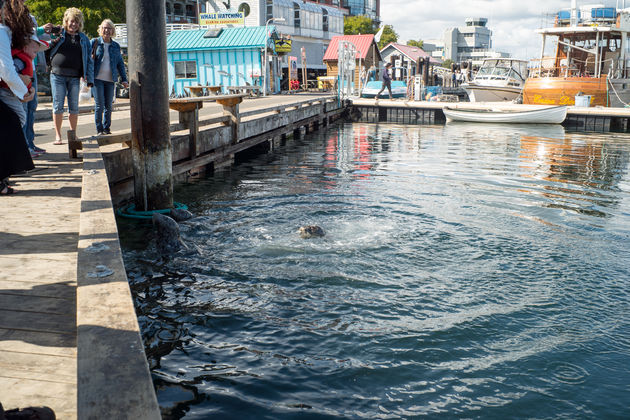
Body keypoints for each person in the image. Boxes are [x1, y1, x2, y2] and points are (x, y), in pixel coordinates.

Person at [0, 0, 35, 195]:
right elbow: (5, 68)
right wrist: (24, 93)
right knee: (15, 120)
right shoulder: (1, 32)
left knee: (13, 121)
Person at [46, 7, 93, 145]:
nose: (74, 25)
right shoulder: (59, 34)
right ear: (66, 21)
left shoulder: (83, 39)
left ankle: (73, 135)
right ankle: (58, 136)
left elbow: (89, 60)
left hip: (74, 77)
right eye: (72, 21)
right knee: (58, 105)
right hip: (57, 75)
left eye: (77, 22)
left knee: (74, 107)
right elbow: (45, 46)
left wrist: (89, 78)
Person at [91, 19, 128, 135]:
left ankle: (107, 128)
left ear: (112, 31)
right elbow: (87, 59)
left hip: (110, 80)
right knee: (99, 105)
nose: (106, 30)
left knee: (109, 105)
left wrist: (124, 79)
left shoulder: (116, 46)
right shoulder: (94, 42)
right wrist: (86, 75)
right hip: (97, 79)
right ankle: (99, 129)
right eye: (104, 28)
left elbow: (120, 64)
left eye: (109, 28)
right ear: (100, 29)